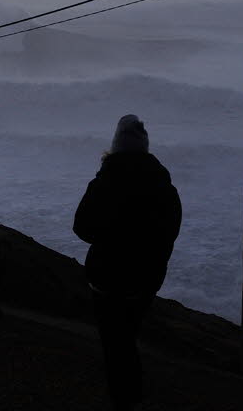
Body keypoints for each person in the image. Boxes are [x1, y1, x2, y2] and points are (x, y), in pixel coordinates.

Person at [74, 114, 182, 411]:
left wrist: (111, 233)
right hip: (145, 281)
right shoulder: (163, 185)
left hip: (106, 279)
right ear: (145, 148)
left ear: (116, 147)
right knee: (126, 336)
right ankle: (128, 394)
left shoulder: (104, 182)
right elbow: (171, 230)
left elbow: (82, 228)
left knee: (114, 342)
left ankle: (125, 398)